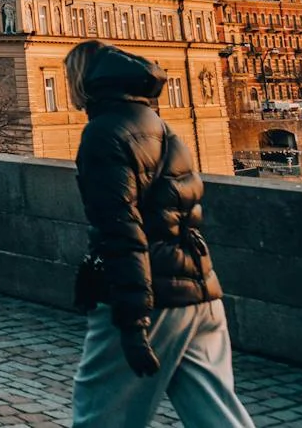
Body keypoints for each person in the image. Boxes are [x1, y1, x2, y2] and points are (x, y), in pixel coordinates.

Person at [65, 41, 253, 428]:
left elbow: (123, 231)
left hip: (155, 296)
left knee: (102, 413)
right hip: (200, 288)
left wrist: (133, 323)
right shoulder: (160, 125)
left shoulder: (105, 132)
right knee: (215, 414)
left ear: (83, 82)